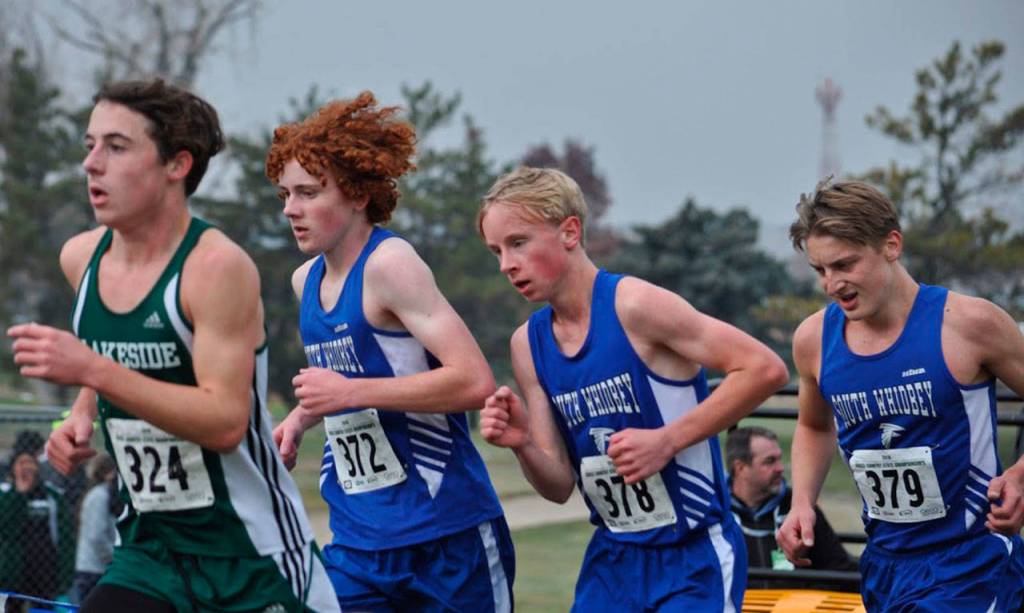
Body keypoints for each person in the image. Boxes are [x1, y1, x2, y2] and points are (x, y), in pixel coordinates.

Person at [7, 79, 337, 613]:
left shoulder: (215, 269)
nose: (92, 164)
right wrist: (81, 414)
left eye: (116, 147)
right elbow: (117, 351)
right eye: (89, 145)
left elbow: (226, 422)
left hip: (247, 557)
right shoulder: (82, 259)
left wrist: (93, 370)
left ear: (176, 165)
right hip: (150, 551)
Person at [477, 166, 789, 612]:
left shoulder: (636, 306)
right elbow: (559, 485)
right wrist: (523, 443)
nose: (507, 264)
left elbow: (764, 368)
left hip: (692, 556)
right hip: (613, 559)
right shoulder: (528, 344)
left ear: (569, 232)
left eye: (518, 243)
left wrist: (667, 441)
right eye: (496, 251)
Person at [268, 92, 515, 612]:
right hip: (359, 540)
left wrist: (347, 392)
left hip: (444, 536)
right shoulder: (303, 281)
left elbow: (473, 381)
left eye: (309, 193)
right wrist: (299, 419)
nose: (291, 209)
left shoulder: (391, 264)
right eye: (286, 193)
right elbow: (349, 377)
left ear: (357, 195)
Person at [777, 178, 1024, 612]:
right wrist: (802, 504)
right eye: (821, 270)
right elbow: (814, 426)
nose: (832, 284)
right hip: (885, 564)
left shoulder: (969, 324)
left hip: (972, 561)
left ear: (891, 245)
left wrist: (1022, 474)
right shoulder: (814, 339)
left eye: (845, 264)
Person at [726, 426, 857, 589]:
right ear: (740, 468)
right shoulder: (716, 515)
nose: (780, 468)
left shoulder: (800, 509)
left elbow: (839, 571)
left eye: (779, 459)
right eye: (770, 461)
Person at [0, 434, 74, 612]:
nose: (26, 468)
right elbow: (6, 528)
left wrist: (64, 577)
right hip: (12, 575)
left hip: (45, 574)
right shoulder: (5, 496)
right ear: (13, 468)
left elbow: (65, 537)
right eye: (21, 463)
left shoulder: (51, 496)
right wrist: (20, 493)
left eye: (30, 463)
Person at [69, 453, 119, 604]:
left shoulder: (98, 494)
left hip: (92, 567)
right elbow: (96, 536)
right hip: (95, 569)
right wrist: (113, 560)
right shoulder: (100, 496)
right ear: (110, 472)